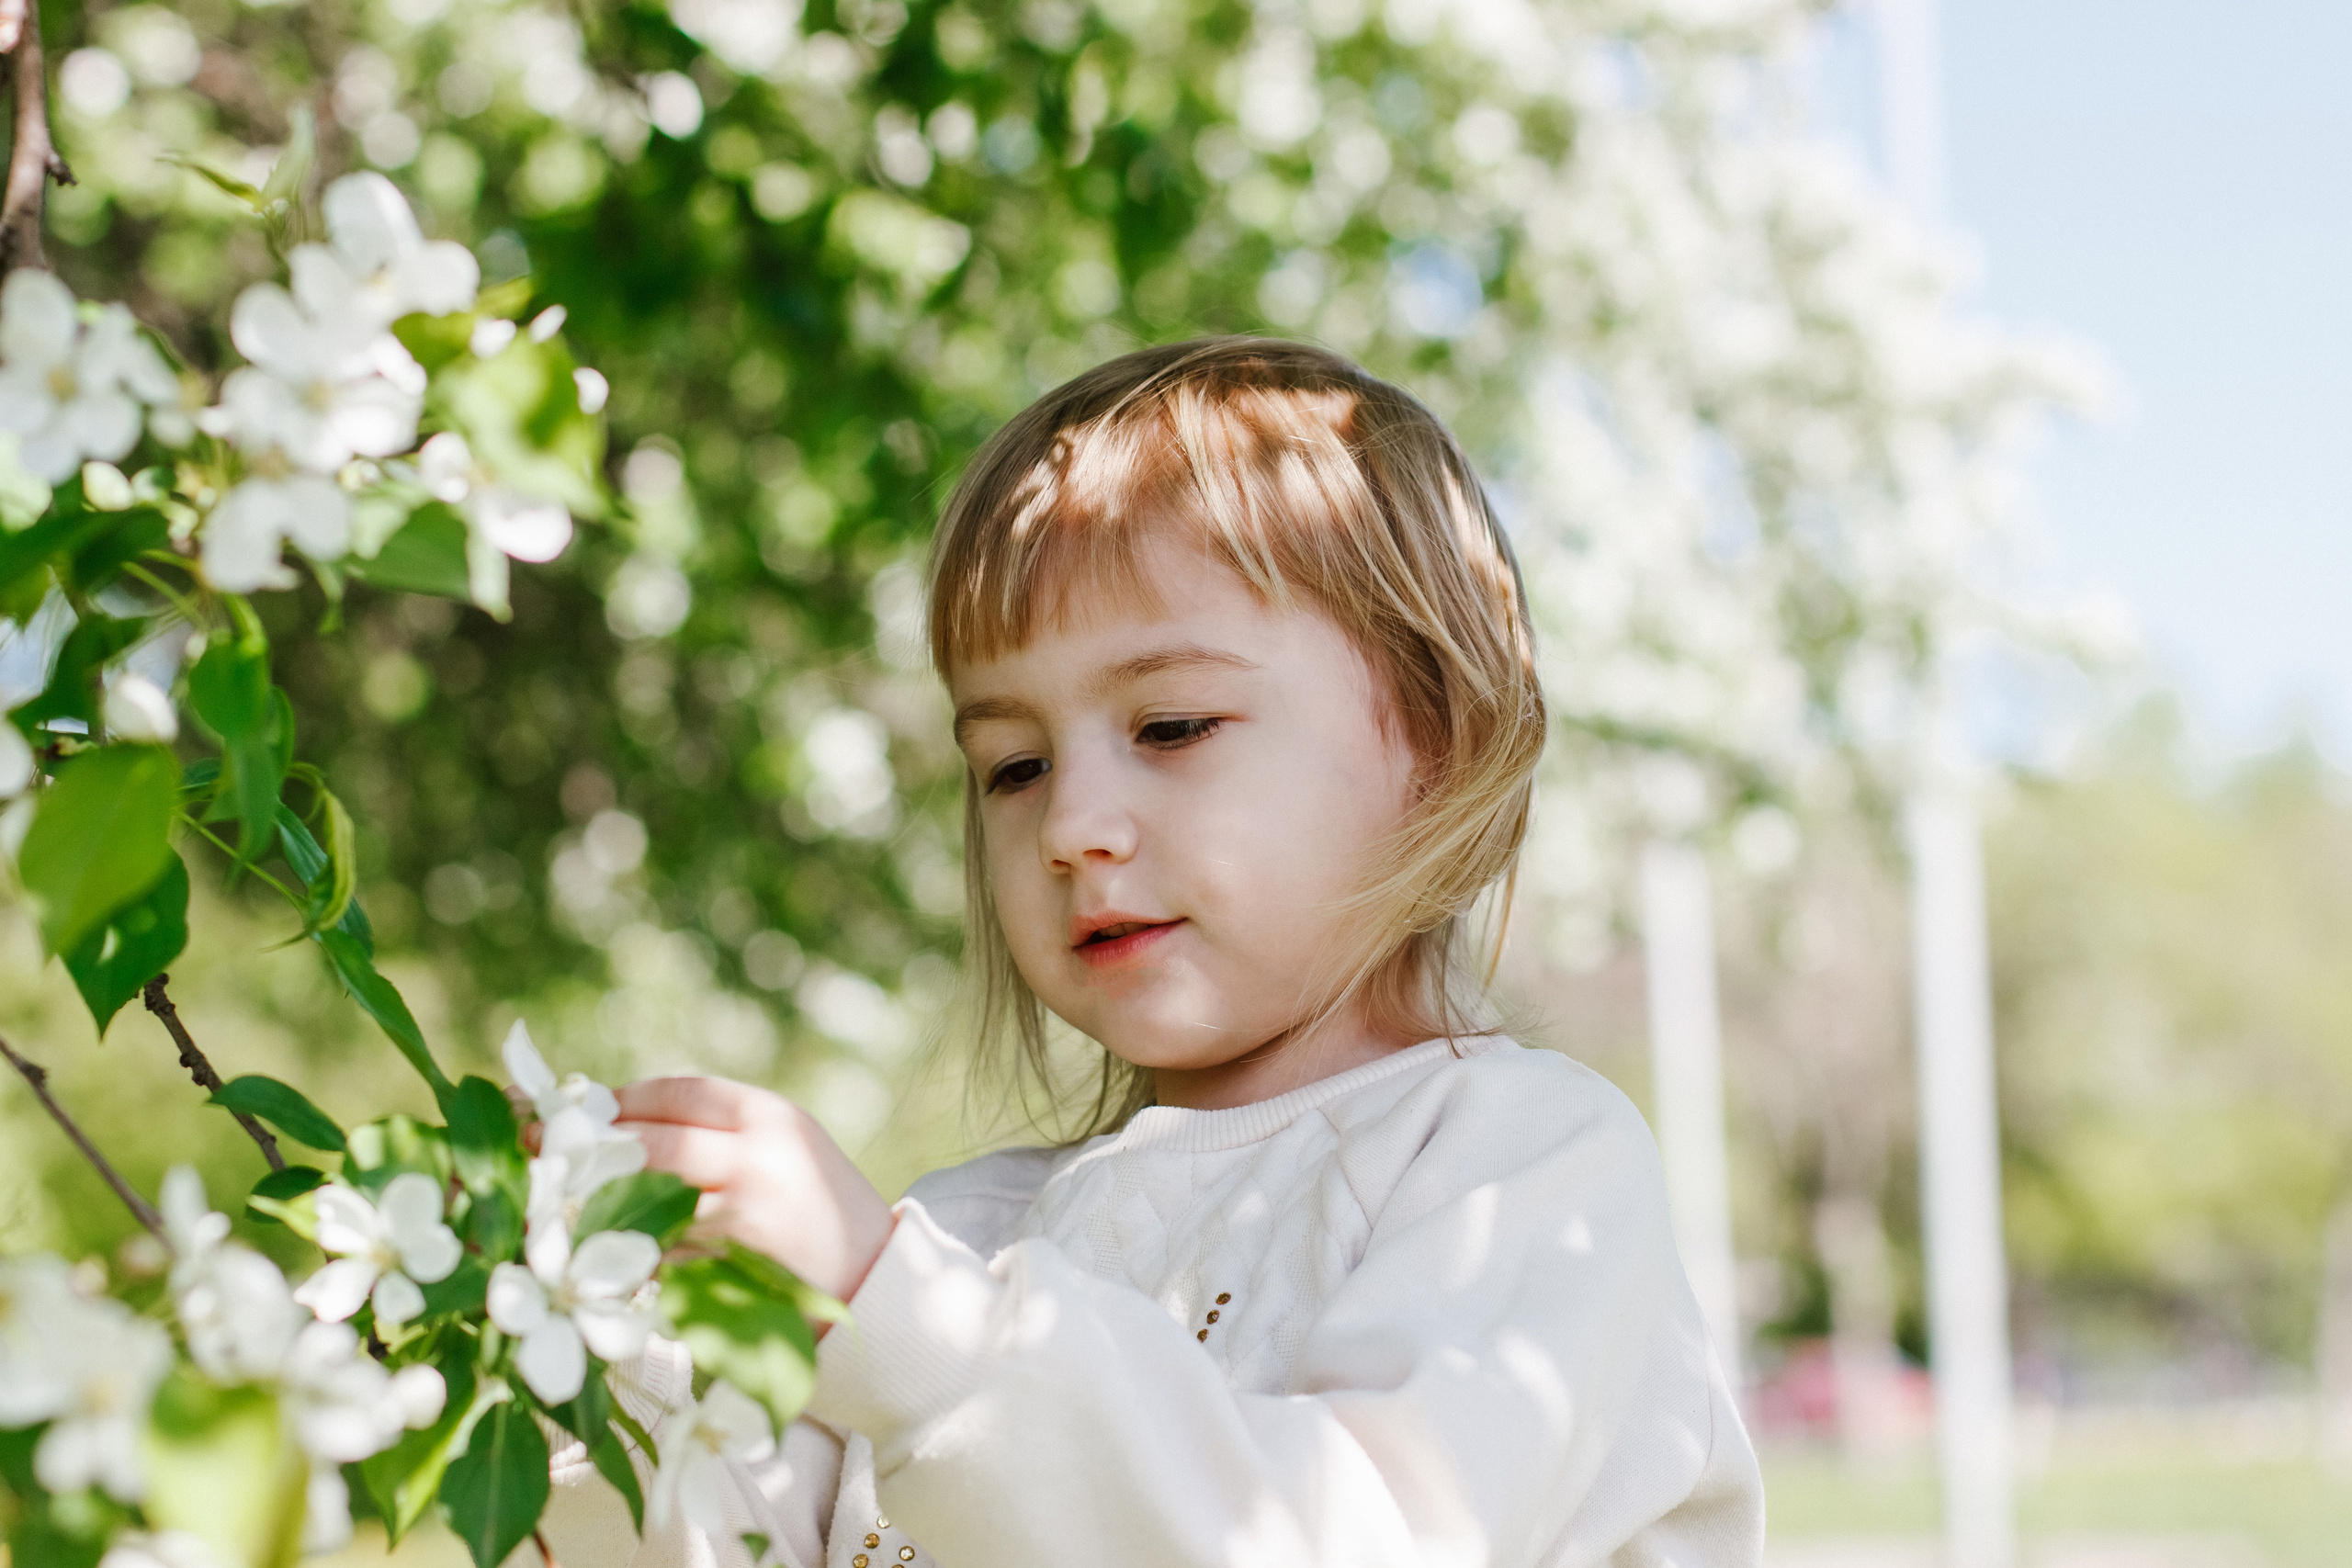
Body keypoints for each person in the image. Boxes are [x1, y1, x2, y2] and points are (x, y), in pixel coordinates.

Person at [538, 338, 1765, 1567]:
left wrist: (914, 1329)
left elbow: (1355, 1538)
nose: (1071, 827)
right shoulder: (966, 1231)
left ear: (1439, 737)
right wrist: (590, 1346)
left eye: (1171, 726)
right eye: (1014, 765)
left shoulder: (1520, 1173)